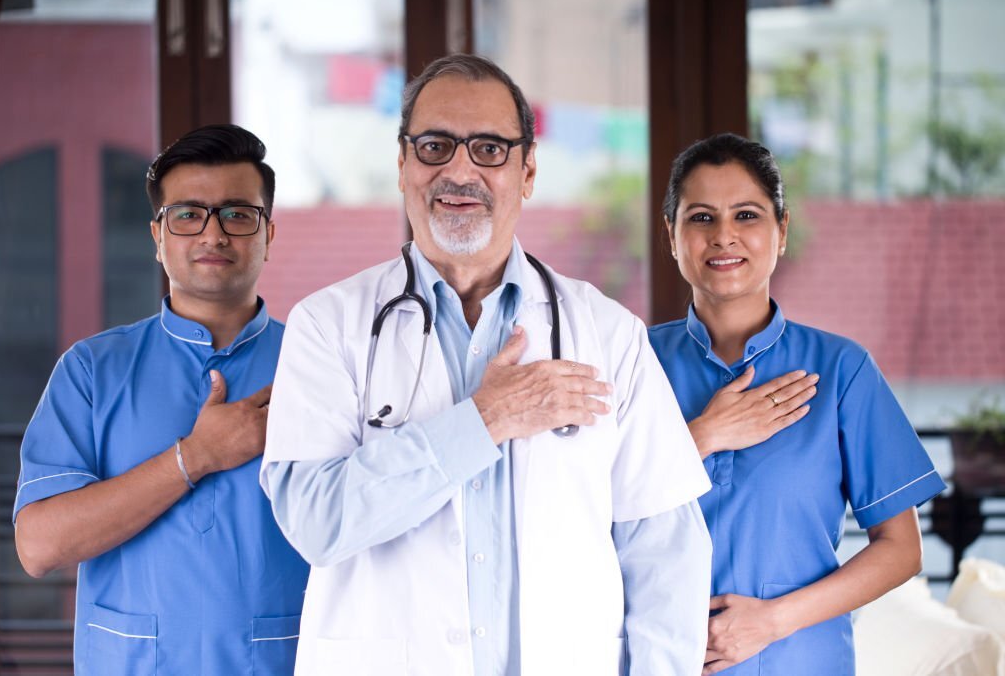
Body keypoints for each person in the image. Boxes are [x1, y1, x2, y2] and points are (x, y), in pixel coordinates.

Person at [261, 53, 712, 676]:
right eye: (435, 146)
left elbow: (666, 557)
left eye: (490, 149)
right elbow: (314, 521)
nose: (460, 170)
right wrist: (483, 420)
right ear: (402, 164)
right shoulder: (328, 326)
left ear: (527, 171)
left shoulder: (609, 335)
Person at [13, 124, 309, 675]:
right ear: (157, 235)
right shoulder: (93, 371)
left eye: (238, 214)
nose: (213, 235)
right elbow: (39, 546)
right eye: (188, 214)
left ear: (270, 233)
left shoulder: (317, 367)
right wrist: (194, 457)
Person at [648, 133, 947, 675]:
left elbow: (901, 549)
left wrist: (773, 621)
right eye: (700, 218)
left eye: (746, 215)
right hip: (656, 659)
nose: (724, 237)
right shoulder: (632, 364)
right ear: (671, 235)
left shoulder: (841, 370)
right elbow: (587, 513)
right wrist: (702, 436)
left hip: (800, 660)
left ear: (781, 232)